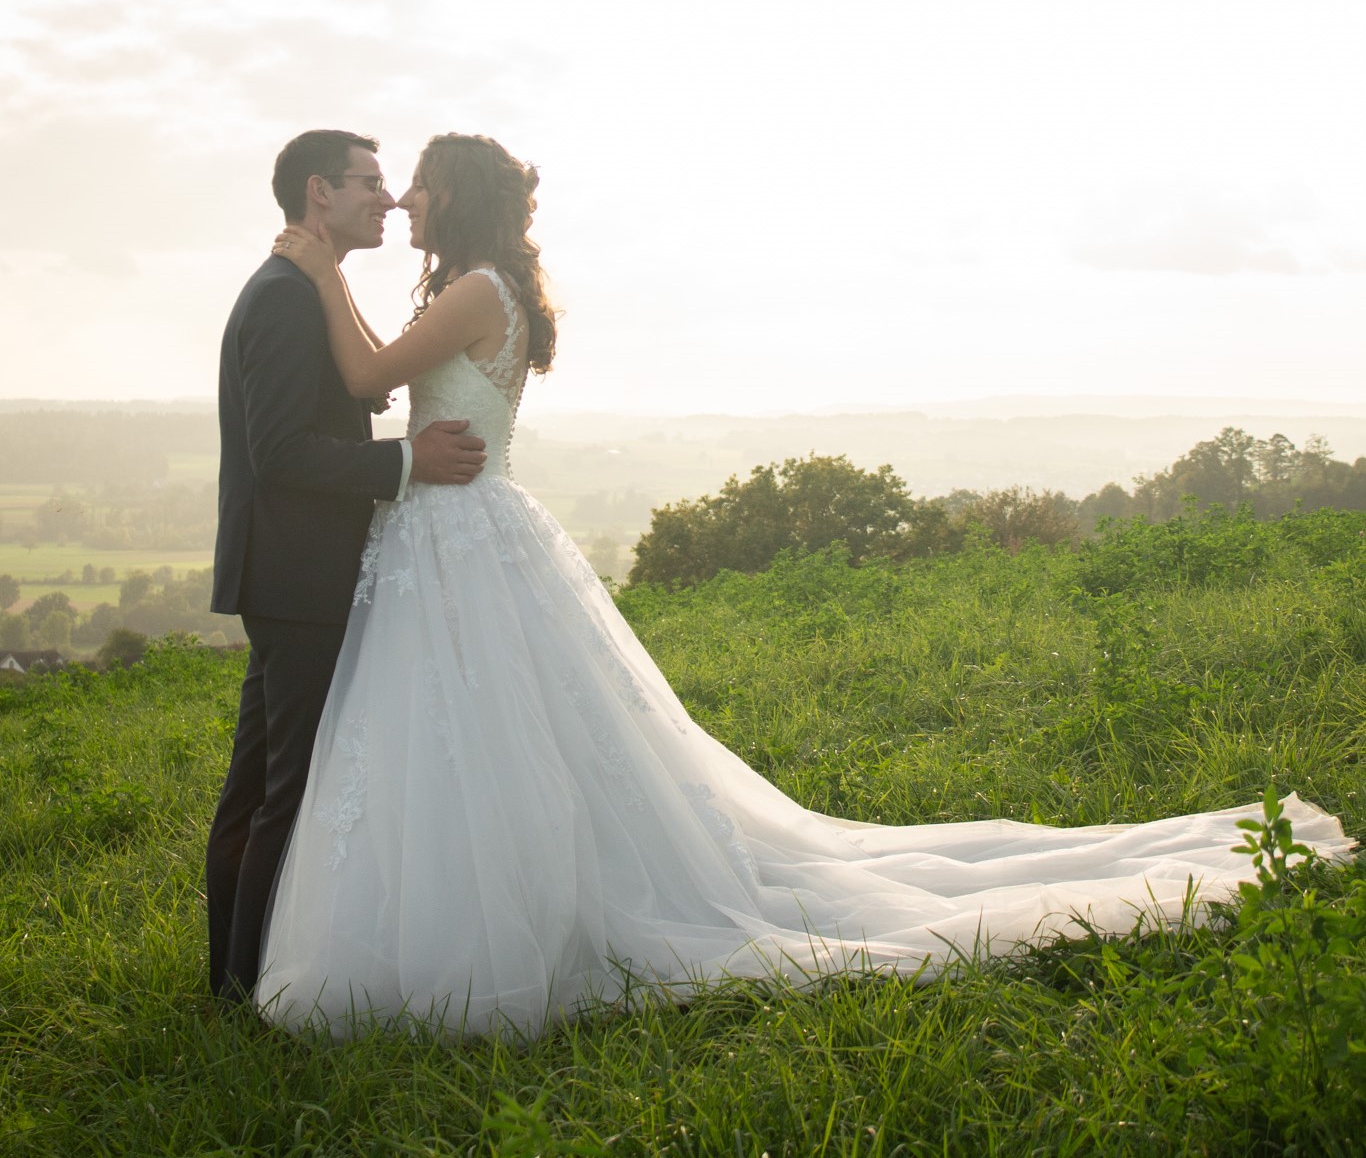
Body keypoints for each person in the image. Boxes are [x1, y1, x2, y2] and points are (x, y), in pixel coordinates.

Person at [256, 132, 1353, 1039]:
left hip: (459, 534)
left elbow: (360, 375)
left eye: (422, 184)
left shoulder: (475, 291)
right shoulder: (475, 286)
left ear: (462, 198)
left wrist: (319, 273)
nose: (404, 196)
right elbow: (381, 366)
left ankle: (508, 927)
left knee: (487, 734)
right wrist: (333, 277)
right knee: (481, 737)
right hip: (456, 533)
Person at [207, 129, 489, 1005]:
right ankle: (251, 987)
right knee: (288, 788)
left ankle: (232, 978)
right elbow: (284, 450)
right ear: (319, 192)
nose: (388, 198)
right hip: (298, 572)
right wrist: (408, 465)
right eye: (370, 182)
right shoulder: (285, 297)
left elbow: (361, 388)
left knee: (261, 780)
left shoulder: (301, 286)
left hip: (295, 570)